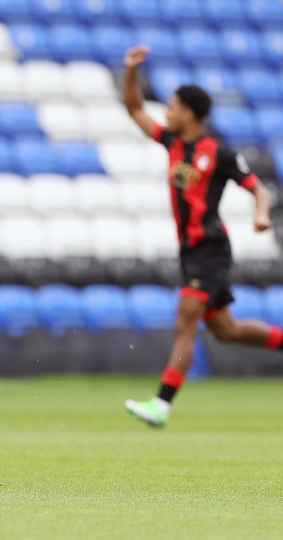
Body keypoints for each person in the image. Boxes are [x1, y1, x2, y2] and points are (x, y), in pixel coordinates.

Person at [122, 45, 278, 428]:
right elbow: (135, 110)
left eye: (172, 106)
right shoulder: (172, 143)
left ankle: (162, 404)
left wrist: (261, 214)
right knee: (226, 330)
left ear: (189, 113)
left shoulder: (218, 153)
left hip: (210, 248)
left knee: (185, 320)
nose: (167, 113)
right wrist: (129, 74)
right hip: (190, 250)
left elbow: (259, 189)